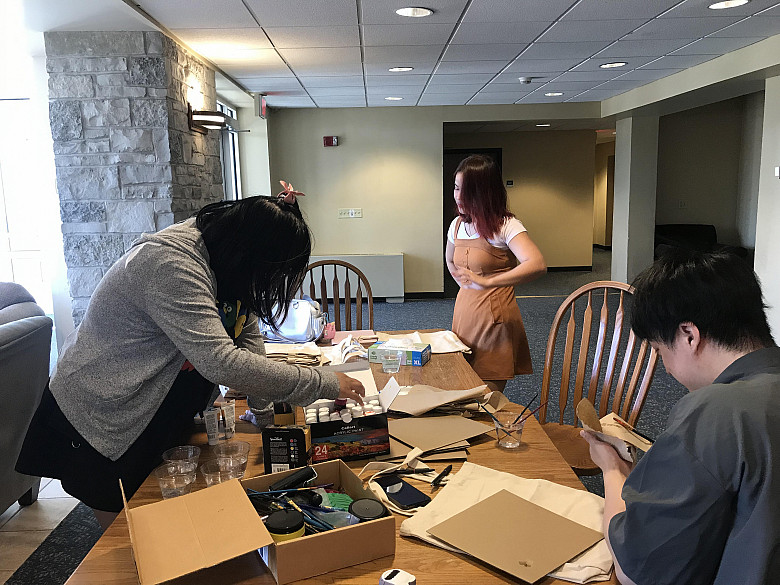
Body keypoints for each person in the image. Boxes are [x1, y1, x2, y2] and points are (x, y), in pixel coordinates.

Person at [16, 193, 364, 527]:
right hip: (103, 413)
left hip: (153, 402)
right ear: (251, 255)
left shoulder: (226, 258)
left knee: (164, 513)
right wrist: (325, 383)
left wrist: (264, 414)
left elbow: (247, 333)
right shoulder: (170, 264)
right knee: (126, 538)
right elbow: (222, 362)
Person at [581, 250, 780, 585]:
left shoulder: (718, 410)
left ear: (689, 335)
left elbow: (636, 572)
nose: (666, 367)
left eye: (659, 351)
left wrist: (612, 469)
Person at [445, 155, 546, 392]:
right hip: (464, 312)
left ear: (483, 192)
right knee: (463, 384)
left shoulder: (506, 225)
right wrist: (461, 278)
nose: (458, 196)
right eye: (456, 188)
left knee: (485, 395)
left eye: (465, 190)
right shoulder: (457, 224)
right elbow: (450, 259)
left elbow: (537, 264)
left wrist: (489, 282)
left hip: (494, 317)